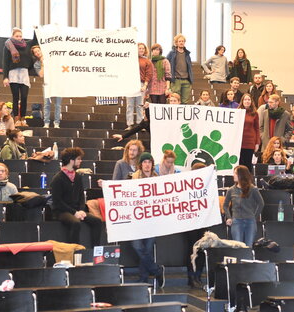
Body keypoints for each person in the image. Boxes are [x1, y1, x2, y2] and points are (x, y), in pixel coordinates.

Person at [50, 147, 102, 247]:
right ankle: (74, 252)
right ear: (71, 160)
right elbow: (58, 202)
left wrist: (81, 210)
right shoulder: (58, 178)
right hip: (62, 211)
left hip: (77, 210)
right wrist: (75, 213)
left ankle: (96, 251)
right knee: (75, 223)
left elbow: (81, 197)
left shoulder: (77, 176)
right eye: (78, 159)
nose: (80, 161)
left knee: (97, 221)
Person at [128, 152, 163, 286]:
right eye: (144, 162)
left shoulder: (157, 178)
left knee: (147, 249)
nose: (147, 165)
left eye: (149, 162)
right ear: (141, 164)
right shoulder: (134, 178)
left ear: (152, 164)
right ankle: (157, 270)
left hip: (152, 220)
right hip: (137, 219)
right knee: (137, 246)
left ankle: (143, 278)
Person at [2, 28, 37, 126]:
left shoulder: (27, 45)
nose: (19, 38)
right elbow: (5, 62)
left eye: (20, 36)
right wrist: (5, 77)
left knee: (24, 97)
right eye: (16, 36)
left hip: (24, 73)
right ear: (12, 36)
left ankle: (23, 119)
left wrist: (36, 30)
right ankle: (16, 119)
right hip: (13, 73)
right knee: (16, 97)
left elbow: (35, 40)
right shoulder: (8, 45)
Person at [223, 165, 264, 247]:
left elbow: (261, 203)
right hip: (237, 221)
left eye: (235, 173)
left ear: (241, 175)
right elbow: (225, 205)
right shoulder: (231, 190)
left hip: (250, 221)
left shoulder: (253, 189)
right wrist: (229, 217)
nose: (233, 175)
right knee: (238, 247)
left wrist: (254, 216)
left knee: (249, 247)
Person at [32, 45, 62, 128]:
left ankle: (56, 123)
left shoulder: (52, 58)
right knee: (46, 104)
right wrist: (43, 63)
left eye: (38, 50)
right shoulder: (36, 64)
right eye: (35, 52)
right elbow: (41, 75)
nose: (37, 53)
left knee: (58, 105)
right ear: (34, 55)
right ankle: (46, 123)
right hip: (47, 84)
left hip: (57, 83)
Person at [126, 43, 154, 130]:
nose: (141, 50)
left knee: (140, 105)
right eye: (139, 48)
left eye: (142, 48)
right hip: (130, 84)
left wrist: (145, 85)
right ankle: (129, 124)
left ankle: (139, 124)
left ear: (145, 50)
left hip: (141, 84)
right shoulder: (130, 60)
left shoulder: (147, 61)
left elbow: (149, 74)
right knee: (129, 105)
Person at [166, 34, 193, 104]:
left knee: (185, 101)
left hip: (186, 80)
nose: (181, 42)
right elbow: (166, 64)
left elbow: (189, 67)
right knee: (174, 99)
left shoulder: (187, 54)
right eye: (179, 41)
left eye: (183, 41)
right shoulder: (171, 53)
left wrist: (190, 80)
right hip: (176, 80)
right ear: (176, 43)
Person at [238, 93, 260, 172]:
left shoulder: (255, 113)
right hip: (239, 142)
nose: (247, 101)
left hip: (250, 142)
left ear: (251, 101)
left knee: (248, 164)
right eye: (245, 100)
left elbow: (257, 128)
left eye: (249, 100)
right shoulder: (237, 112)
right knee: (240, 164)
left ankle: (247, 182)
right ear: (242, 101)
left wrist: (257, 143)